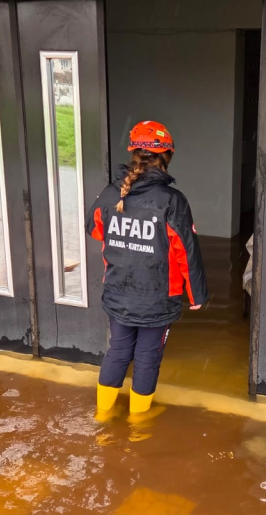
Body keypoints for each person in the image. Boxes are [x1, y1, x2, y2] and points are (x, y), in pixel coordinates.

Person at [84, 121, 209, 418]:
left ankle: (102, 415)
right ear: (166, 156)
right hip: (157, 299)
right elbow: (186, 251)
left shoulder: (111, 193)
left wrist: (126, 240)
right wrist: (197, 295)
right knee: (147, 357)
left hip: (118, 293)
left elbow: (94, 229)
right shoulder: (172, 201)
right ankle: (139, 424)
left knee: (117, 351)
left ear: (134, 153)